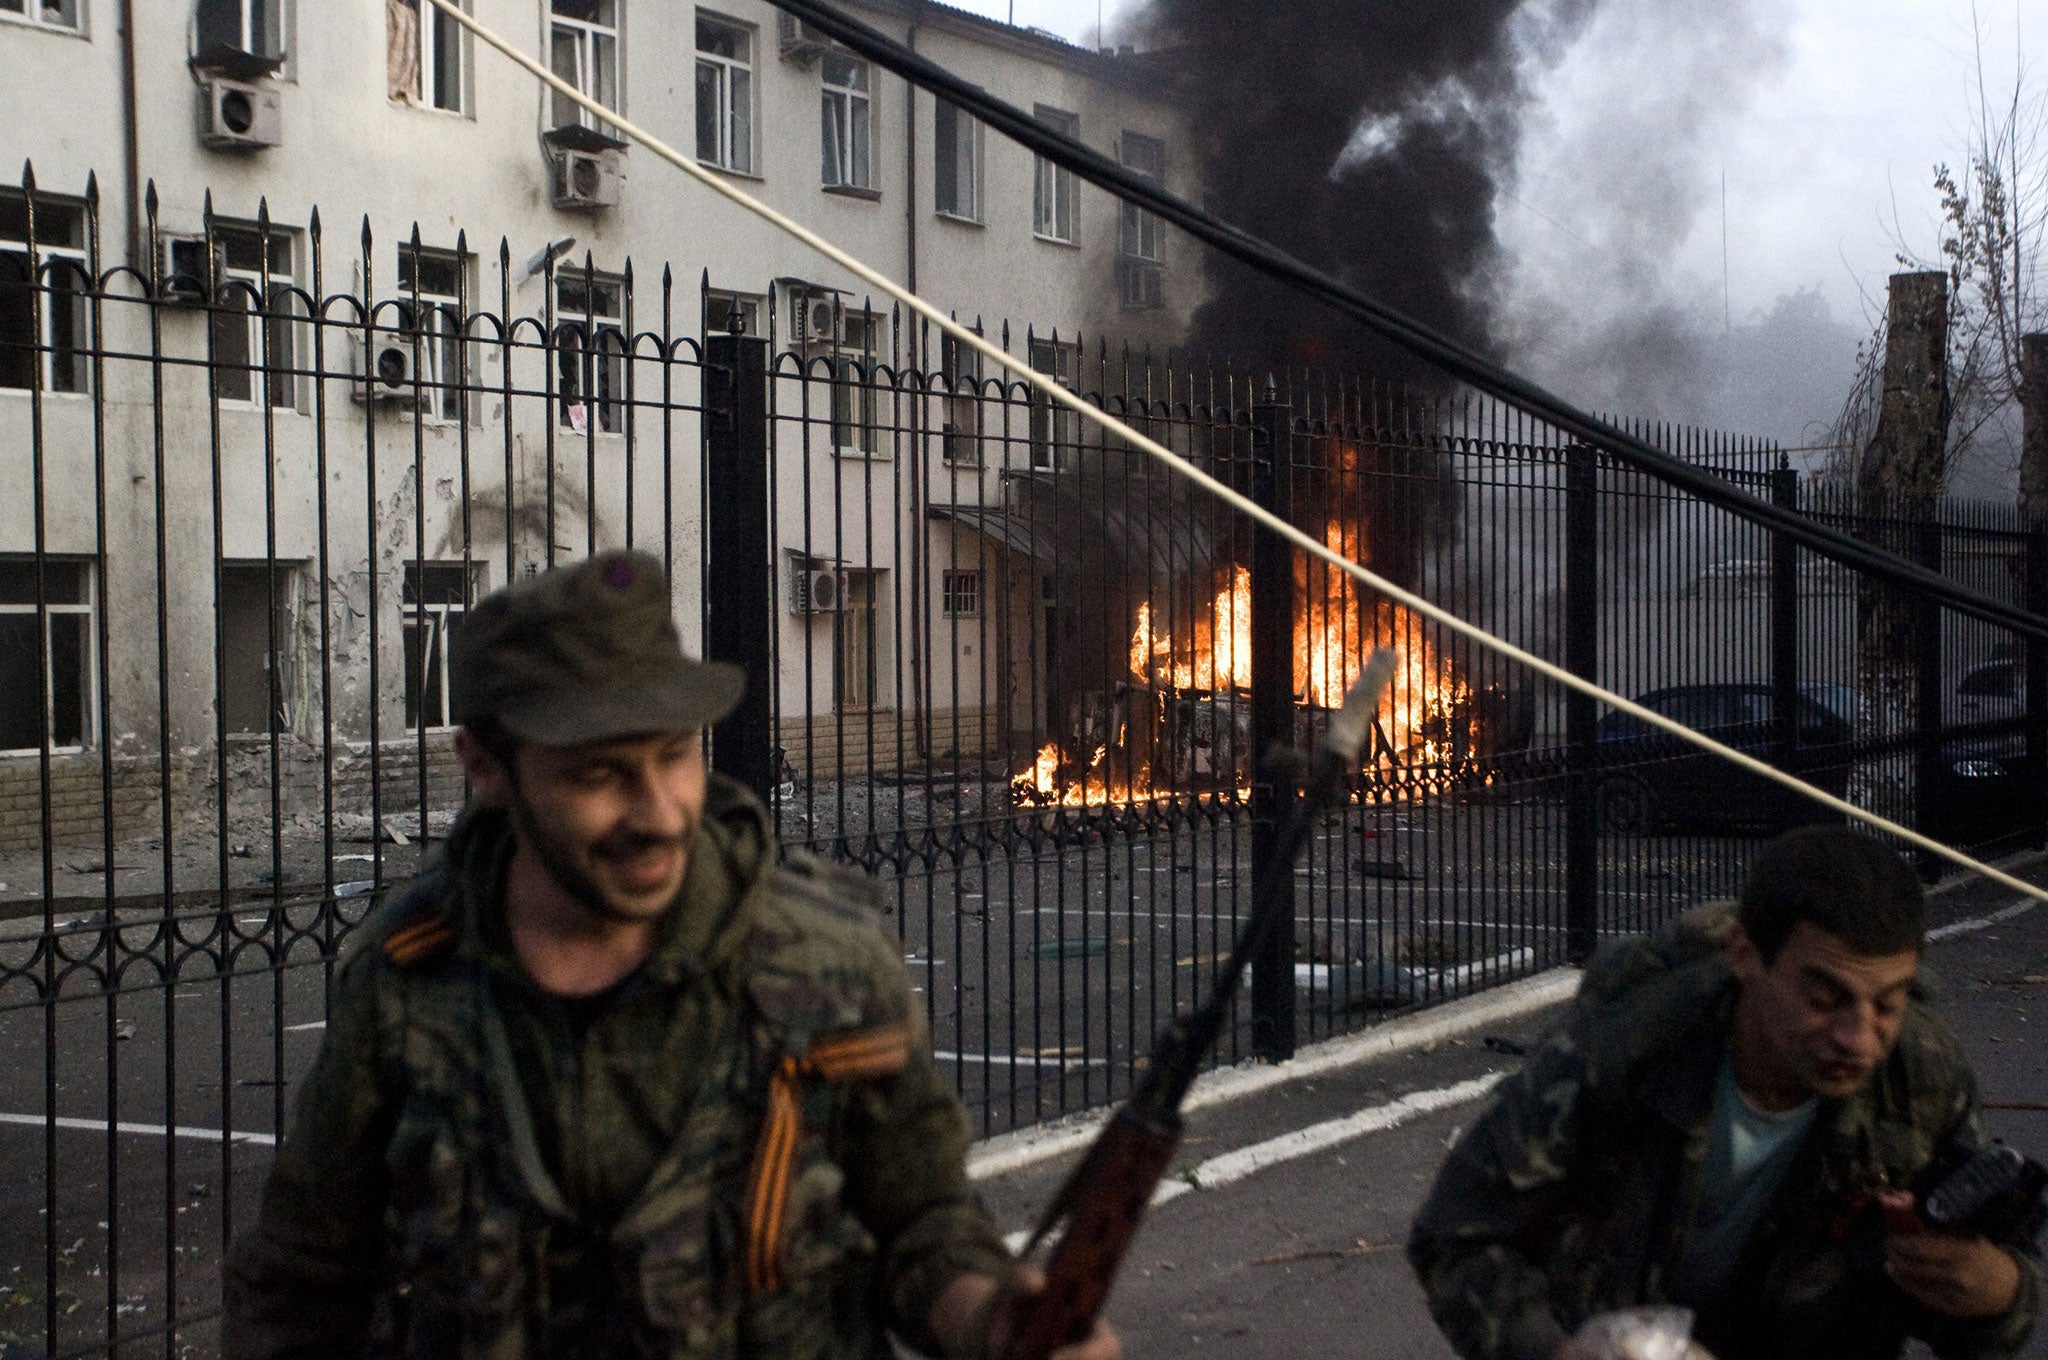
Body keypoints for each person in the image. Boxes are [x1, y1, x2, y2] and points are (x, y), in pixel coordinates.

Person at [225, 550, 1117, 1360]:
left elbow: (921, 1227)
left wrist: (994, 1323)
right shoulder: (405, 980)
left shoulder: (823, 960)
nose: (658, 812)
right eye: (597, 773)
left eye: (676, 754)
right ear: (486, 767)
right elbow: (303, 1277)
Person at [1408, 825, 2041, 1360]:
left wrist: (1998, 1295)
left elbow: (1998, 1294)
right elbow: (1454, 1238)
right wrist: (1555, 1353)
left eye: (1888, 1003)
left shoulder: (1919, 1078)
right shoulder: (1616, 1051)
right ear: (1744, 955)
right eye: (1823, 999)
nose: (1859, 1038)